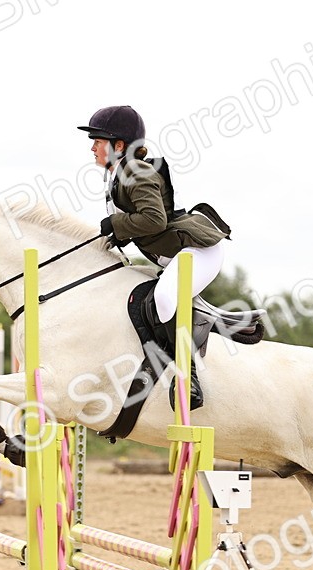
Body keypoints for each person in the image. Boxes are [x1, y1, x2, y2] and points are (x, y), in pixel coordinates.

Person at [79, 104, 231, 408]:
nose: (93, 147)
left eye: (98, 140)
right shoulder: (119, 173)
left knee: (163, 298)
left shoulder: (135, 171)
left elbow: (154, 220)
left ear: (118, 146)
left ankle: (189, 381)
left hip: (198, 251)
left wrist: (117, 225)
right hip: (178, 254)